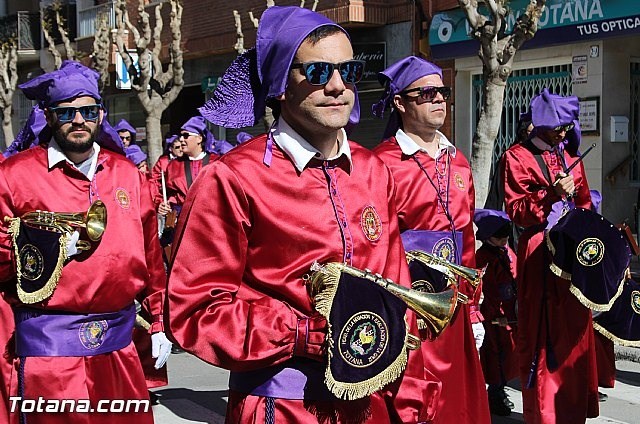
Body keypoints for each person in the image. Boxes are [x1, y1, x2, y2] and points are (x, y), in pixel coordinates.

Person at [167, 6, 439, 423]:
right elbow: (195, 309)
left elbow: (395, 291)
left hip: (374, 404)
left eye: (348, 71)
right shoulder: (232, 177)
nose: (337, 87)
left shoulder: (373, 169)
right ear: (280, 85)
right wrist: (299, 333)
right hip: (283, 407)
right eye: (317, 74)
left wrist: (411, 394)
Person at [0, 61, 170, 424]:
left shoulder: (127, 174)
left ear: (100, 114)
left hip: (118, 348)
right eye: (66, 112)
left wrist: (159, 322)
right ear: (48, 117)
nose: (79, 120)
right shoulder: (13, 176)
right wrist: (44, 249)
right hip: (49, 357)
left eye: (88, 111)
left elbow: (151, 257)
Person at [371, 56, 490, 424]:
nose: (439, 99)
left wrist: (472, 309)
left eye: (442, 91)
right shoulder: (382, 164)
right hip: (407, 307)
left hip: (452, 304)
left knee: (458, 403)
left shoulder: (459, 163)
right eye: (426, 93)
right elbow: (374, 246)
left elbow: (466, 238)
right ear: (400, 103)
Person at [501, 88, 597, 423]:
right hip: (539, 253)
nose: (562, 133)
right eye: (557, 126)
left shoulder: (570, 157)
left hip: (572, 255)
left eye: (567, 127)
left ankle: (572, 409)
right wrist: (550, 195)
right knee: (543, 334)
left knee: (574, 332)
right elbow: (517, 210)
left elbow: (585, 204)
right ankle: (544, 412)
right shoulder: (516, 157)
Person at [474, 209, 518, 417]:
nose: (503, 241)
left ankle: (500, 389)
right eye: (498, 238)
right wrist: (491, 313)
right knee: (494, 355)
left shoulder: (507, 252)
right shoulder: (482, 257)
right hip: (492, 313)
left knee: (508, 354)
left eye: (505, 238)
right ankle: (495, 393)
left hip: (508, 310)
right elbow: (482, 287)